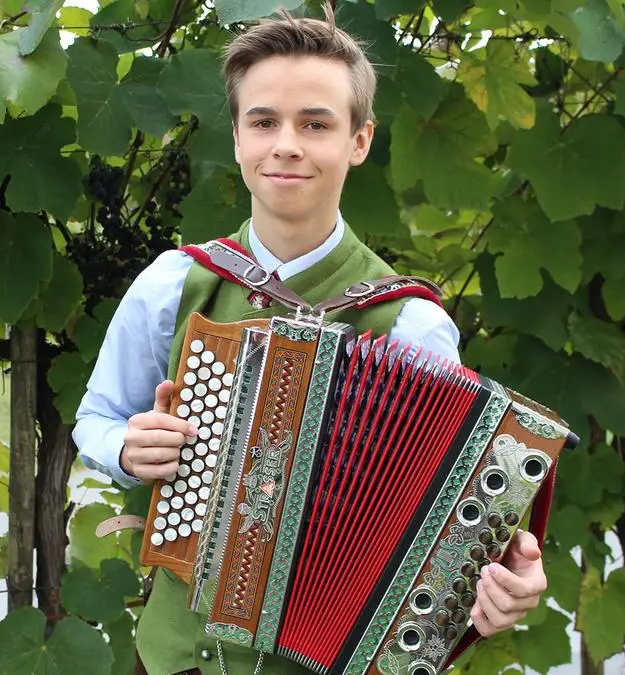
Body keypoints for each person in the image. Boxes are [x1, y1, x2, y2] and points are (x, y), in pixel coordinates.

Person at [72, 6, 548, 673]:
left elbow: (444, 524)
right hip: (178, 657)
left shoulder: (410, 323)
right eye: (264, 121)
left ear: (359, 140)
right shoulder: (175, 284)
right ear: (236, 137)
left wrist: (499, 587)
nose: (287, 144)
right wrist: (125, 446)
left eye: (316, 123)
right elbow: (95, 419)